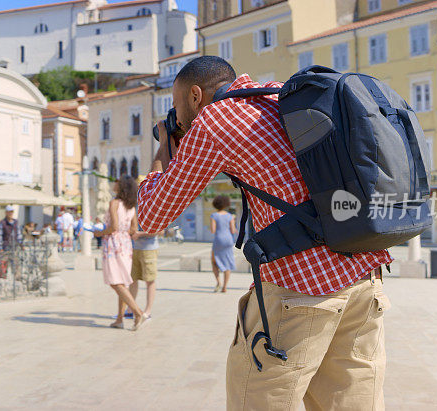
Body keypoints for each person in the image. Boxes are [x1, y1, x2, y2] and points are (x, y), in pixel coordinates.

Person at [137, 56, 392, 410]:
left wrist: (165, 144)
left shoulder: (214, 120)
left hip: (299, 291)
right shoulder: (280, 95)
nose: (181, 120)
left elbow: (151, 217)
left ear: (196, 95)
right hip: (364, 278)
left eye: (179, 108)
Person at [93, 175, 148, 331]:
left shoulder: (114, 203)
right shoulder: (130, 206)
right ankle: (119, 319)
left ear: (121, 186)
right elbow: (133, 229)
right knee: (121, 282)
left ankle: (138, 312)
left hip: (113, 244)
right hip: (126, 244)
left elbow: (114, 227)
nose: (114, 184)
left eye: (116, 183)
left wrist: (99, 232)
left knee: (115, 281)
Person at [129, 222, 161, 318]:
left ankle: (148, 311)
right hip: (133, 248)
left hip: (149, 249)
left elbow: (160, 231)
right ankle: (130, 309)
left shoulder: (154, 209)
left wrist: (140, 234)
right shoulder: (133, 208)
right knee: (132, 279)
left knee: (149, 280)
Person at [210, 195, 237, 293]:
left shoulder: (214, 215)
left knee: (214, 261)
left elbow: (213, 230)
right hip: (228, 240)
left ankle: (218, 282)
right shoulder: (230, 216)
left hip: (218, 239)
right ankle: (225, 287)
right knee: (228, 262)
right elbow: (233, 230)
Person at [0, 206, 21, 279]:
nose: (11, 213)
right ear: (6, 212)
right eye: (9, 212)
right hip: (6, 245)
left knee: (16, 263)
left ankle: (17, 277)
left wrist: (20, 243)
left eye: (12, 212)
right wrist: (0, 247)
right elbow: (0, 235)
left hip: (15, 245)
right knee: (3, 263)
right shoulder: (3, 222)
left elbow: (19, 233)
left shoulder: (16, 222)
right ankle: (3, 277)